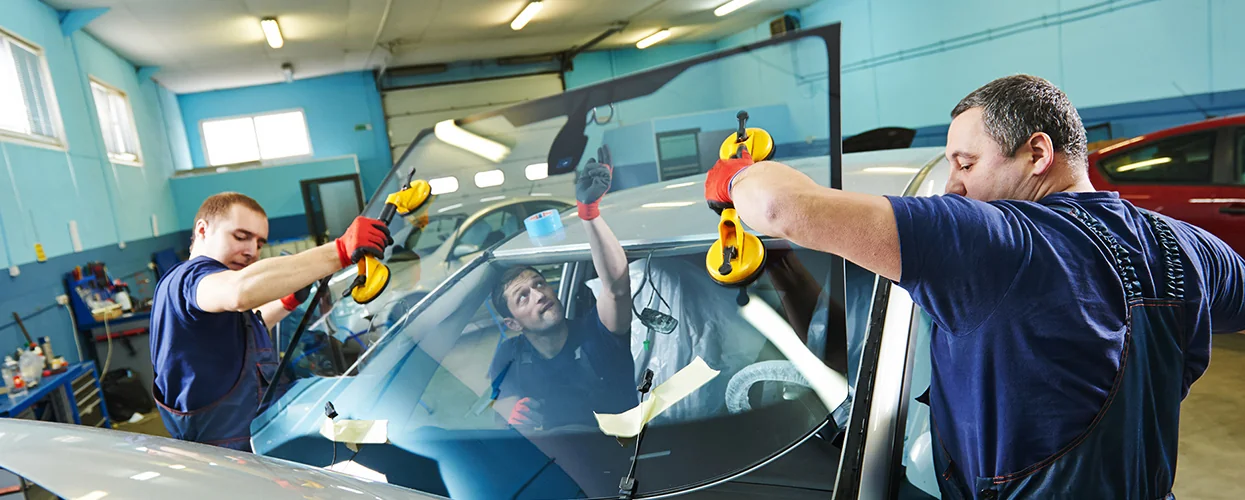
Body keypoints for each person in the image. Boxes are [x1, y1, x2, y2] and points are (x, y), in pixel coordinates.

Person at [704, 75, 1245, 498]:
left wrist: (737, 175)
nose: (955, 185)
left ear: (1037, 154)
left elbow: (779, 207)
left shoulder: (992, 240)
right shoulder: (1186, 246)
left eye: (966, 163)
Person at [150, 192, 393, 451]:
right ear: (202, 230)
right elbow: (238, 292)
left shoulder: (208, 296)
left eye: (259, 243)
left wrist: (285, 303)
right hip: (233, 454)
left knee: (377, 423)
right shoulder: (188, 278)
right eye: (241, 237)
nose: (251, 251)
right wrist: (340, 250)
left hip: (263, 431)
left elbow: (239, 336)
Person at [487, 149, 635, 430]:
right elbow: (500, 402)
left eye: (539, 284)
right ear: (512, 323)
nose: (539, 294)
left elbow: (616, 288)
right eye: (523, 297)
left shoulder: (597, 332)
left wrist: (589, 215)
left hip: (626, 456)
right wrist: (509, 411)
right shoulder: (509, 356)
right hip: (558, 463)